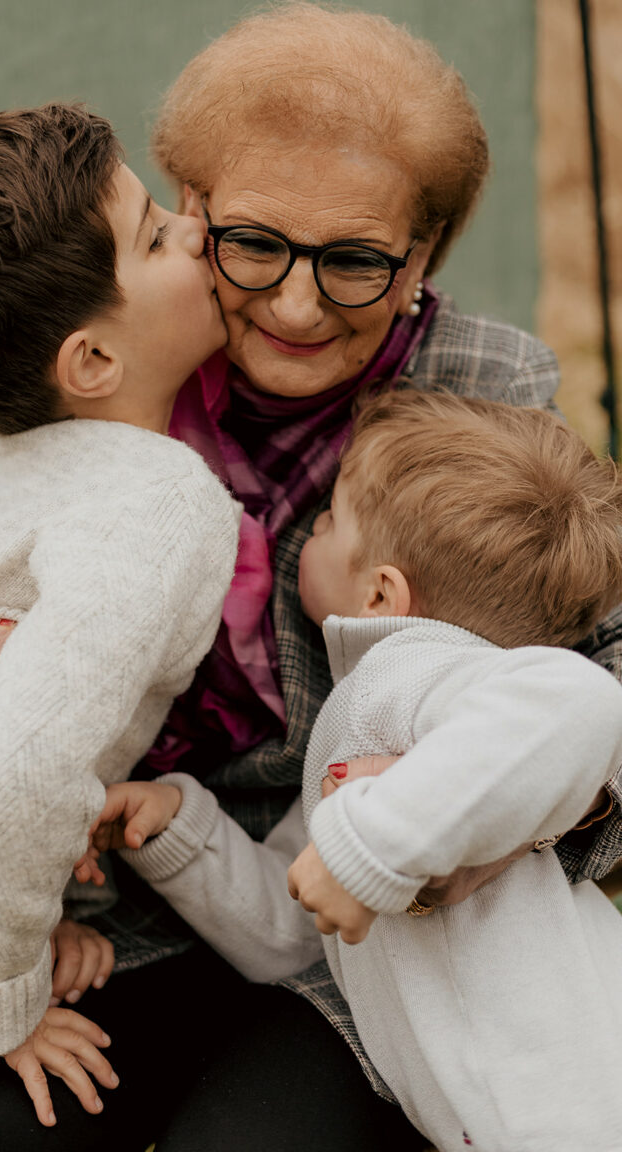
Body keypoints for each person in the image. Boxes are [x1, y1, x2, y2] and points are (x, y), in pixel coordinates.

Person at [0, 5, 622, 1149]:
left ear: (425, 256)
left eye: (358, 261)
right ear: (193, 212)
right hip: (102, 920)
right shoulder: (111, 367)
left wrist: (509, 816)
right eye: (253, 242)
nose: (297, 304)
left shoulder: (480, 388)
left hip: (342, 937)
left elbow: (601, 660)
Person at [89, 390, 622, 1151]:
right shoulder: (379, 718)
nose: (309, 532)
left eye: (331, 520)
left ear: (380, 592)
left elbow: (583, 699)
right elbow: (295, 928)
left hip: (567, 1102)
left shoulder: (412, 673)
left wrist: (369, 848)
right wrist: (182, 831)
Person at [0, 103, 238, 1150]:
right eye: (157, 234)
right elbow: (5, 778)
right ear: (92, 364)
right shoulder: (159, 501)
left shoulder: (20, 459)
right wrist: (6, 1002)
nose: (197, 232)